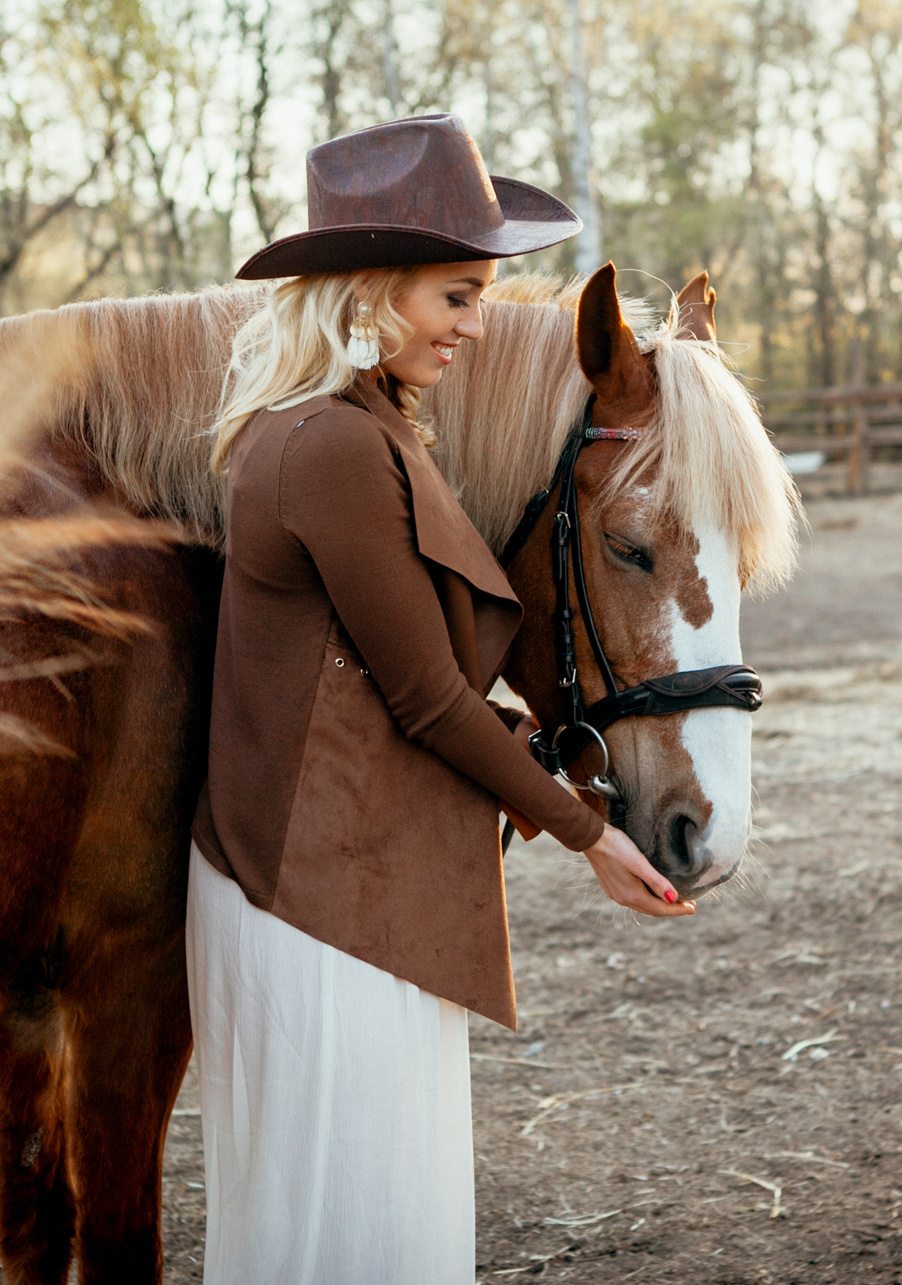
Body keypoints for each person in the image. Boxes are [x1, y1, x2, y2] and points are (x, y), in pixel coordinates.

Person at [187, 113, 692, 1284]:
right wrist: (587, 835)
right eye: (454, 297)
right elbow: (421, 698)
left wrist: (547, 766)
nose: (475, 327)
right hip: (316, 898)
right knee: (349, 1231)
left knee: (363, 1222)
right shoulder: (328, 447)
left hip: (336, 874)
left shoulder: (353, 430)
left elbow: (371, 682)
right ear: (368, 291)